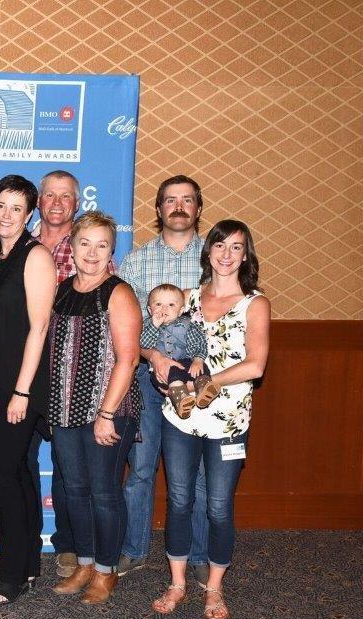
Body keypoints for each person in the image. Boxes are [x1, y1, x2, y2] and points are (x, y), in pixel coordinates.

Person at [152, 220, 270, 619]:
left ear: (245, 255)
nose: (226, 254)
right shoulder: (186, 298)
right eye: (220, 245)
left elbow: (256, 365)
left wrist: (208, 381)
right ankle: (177, 583)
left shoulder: (255, 303)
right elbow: (160, 344)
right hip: (180, 418)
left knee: (218, 507)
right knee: (180, 500)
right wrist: (161, 366)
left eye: (236, 247)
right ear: (209, 251)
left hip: (228, 422)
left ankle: (214, 588)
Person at [0, 175, 56, 605]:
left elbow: (38, 329)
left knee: (3, 475)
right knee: (17, 473)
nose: (7, 214)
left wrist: (22, 392)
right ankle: (23, 563)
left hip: (22, 382)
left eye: (17, 208)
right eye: (1, 205)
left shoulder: (35, 257)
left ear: (30, 215)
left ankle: (13, 575)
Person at [118, 175, 210, 584]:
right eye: (170, 200)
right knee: (140, 468)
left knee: (198, 474)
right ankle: (133, 550)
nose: (178, 207)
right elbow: (125, 322)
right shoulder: (137, 261)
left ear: (197, 208)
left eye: (187, 200)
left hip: (196, 380)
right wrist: (153, 355)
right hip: (144, 377)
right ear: (158, 209)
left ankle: (200, 555)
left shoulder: (216, 257)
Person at [47, 211, 142, 606]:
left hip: (108, 411)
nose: (92, 252)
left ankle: (106, 571)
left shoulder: (119, 293)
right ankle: (84, 563)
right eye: (85, 243)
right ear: (71, 245)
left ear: (112, 250)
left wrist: (106, 414)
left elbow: (128, 359)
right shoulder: (62, 289)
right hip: (66, 409)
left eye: (102, 245)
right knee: (74, 490)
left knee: (105, 493)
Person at [140, 284, 218, 418]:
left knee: (201, 368)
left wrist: (198, 360)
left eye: (171, 305)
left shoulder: (188, 324)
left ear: (181, 310)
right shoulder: (146, 325)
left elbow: (198, 343)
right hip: (163, 369)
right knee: (169, 374)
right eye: (158, 304)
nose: (164, 308)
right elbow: (143, 344)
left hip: (186, 362)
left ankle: (204, 388)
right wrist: (154, 325)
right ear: (149, 309)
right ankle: (181, 399)